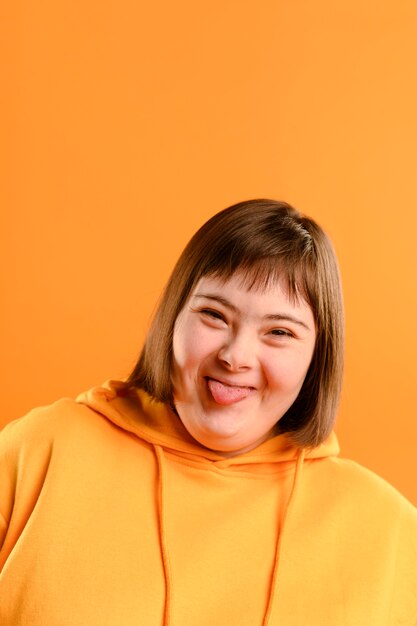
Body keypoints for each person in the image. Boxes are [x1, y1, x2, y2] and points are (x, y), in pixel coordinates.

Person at [0, 199, 416, 626]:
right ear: (172, 318)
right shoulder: (38, 452)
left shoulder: (390, 532)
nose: (236, 357)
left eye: (279, 331)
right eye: (214, 315)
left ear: (318, 355)